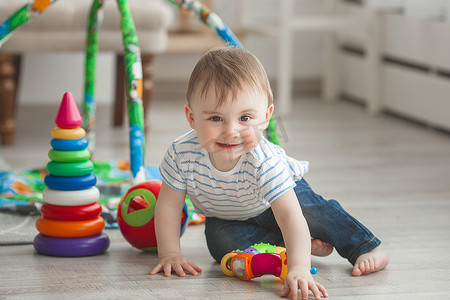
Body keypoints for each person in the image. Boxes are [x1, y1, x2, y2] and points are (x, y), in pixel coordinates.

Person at [150, 46, 389, 299]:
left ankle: (363, 246)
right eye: (216, 119)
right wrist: (170, 254)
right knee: (221, 246)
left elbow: (288, 214)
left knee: (314, 213)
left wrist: (298, 269)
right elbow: (169, 206)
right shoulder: (181, 154)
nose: (231, 131)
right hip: (228, 214)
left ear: (266, 117)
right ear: (191, 117)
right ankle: (295, 245)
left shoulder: (264, 161)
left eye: (244, 118)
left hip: (281, 199)